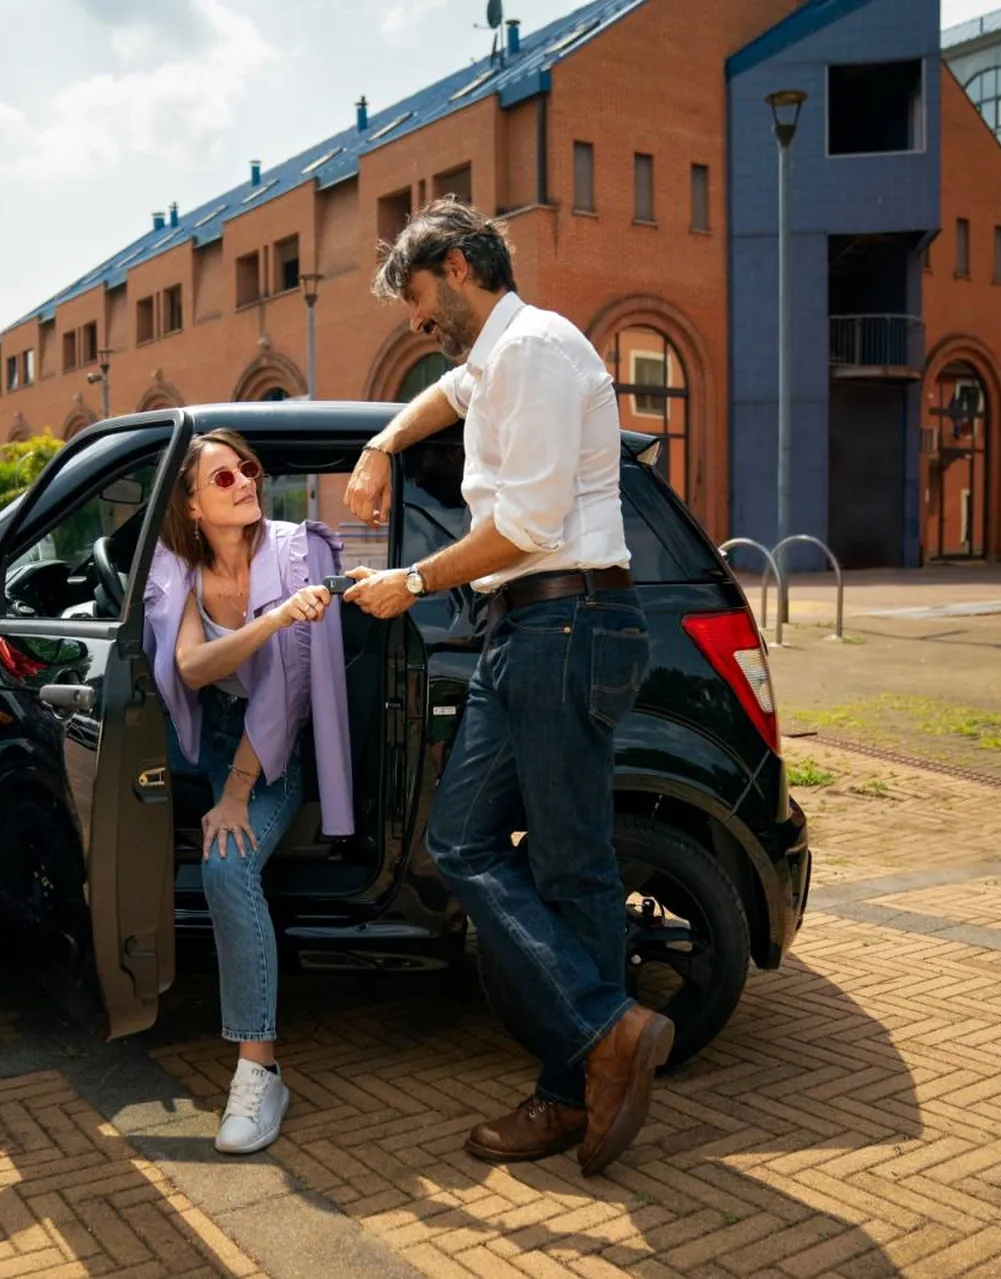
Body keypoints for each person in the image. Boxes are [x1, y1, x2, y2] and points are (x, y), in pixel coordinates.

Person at [342, 198, 670, 1178]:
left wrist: (410, 582)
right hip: (533, 628)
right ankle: (592, 1053)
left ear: (454, 262)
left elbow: (522, 526)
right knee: (473, 841)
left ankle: (589, 1058)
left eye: (414, 295)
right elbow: (445, 395)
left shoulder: (531, 351)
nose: (413, 319)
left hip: (560, 621)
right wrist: (379, 445)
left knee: (568, 866)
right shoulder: (500, 357)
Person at [143, 429, 354, 1155]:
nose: (243, 483)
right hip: (205, 726)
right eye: (223, 477)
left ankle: (259, 1072)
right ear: (193, 506)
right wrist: (267, 620)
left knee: (227, 866)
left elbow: (288, 696)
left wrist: (234, 793)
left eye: (249, 470)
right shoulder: (177, 564)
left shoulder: (298, 552)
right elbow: (193, 669)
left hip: (272, 742)